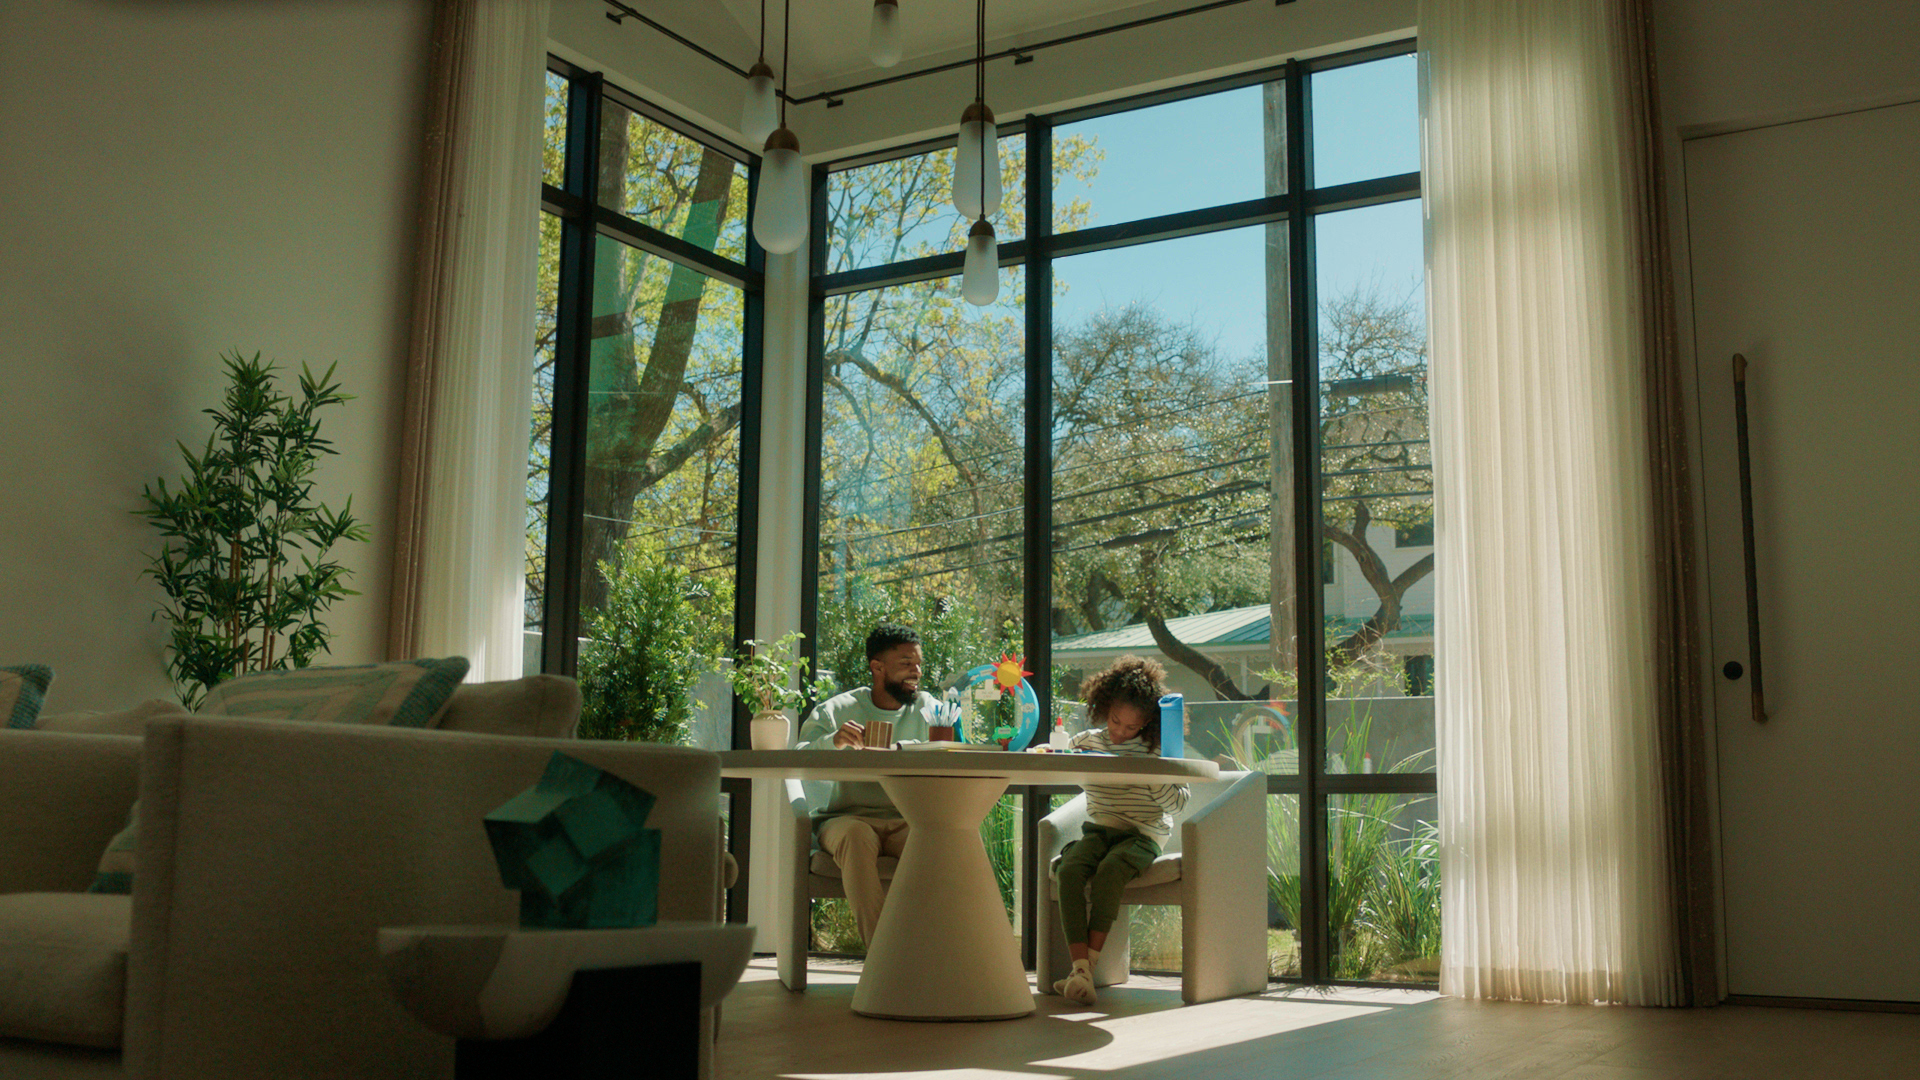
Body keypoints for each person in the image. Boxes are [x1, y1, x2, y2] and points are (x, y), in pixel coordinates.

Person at [1051, 654, 1189, 1006]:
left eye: (1131, 727)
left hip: (1144, 834)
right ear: (1103, 707)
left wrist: (1150, 773)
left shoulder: (1157, 749)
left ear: (1147, 723)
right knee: (1068, 870)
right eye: (1115, 722)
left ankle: (1087, 968)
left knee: (1111, 871)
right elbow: (1075, 780)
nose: (1121, 732)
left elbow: (1177, 803)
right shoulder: (1088, 741)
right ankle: (1079, 968)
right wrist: (1074, 759)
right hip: (1099, 829)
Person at [794, 624, 940, 946]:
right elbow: (799, 759)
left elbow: (947, 751)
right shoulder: (838, 710)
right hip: (847, 819)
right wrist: (833, 741)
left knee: (942, 841)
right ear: (877, 667)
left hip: (907, 819)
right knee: (857, 836)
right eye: (905, 664)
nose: (916, 673)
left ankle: (938, 954)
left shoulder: (929, 708)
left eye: (918, 664)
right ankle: (881, 959)